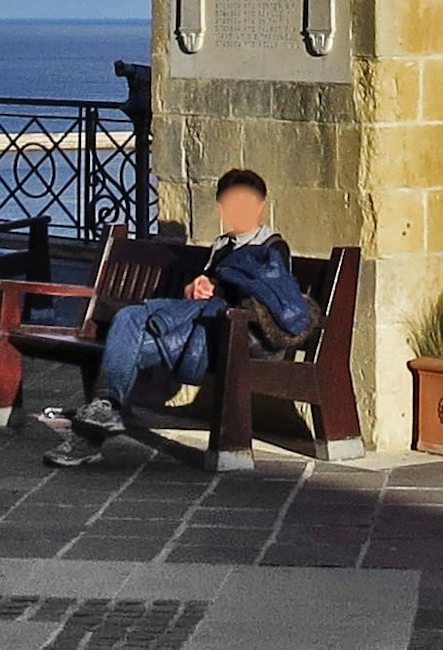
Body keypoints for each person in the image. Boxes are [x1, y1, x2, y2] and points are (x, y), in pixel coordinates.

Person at [43, 168, 309, 467]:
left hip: (234, 342)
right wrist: (193, 287)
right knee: (129, 320)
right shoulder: (222, 245)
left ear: (260, 206)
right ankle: (106, 409)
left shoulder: (272, 249)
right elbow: (203, 293)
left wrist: (218, 288)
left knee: (126, 344)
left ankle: (90, 435)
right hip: (197, 333)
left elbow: (273, 303)